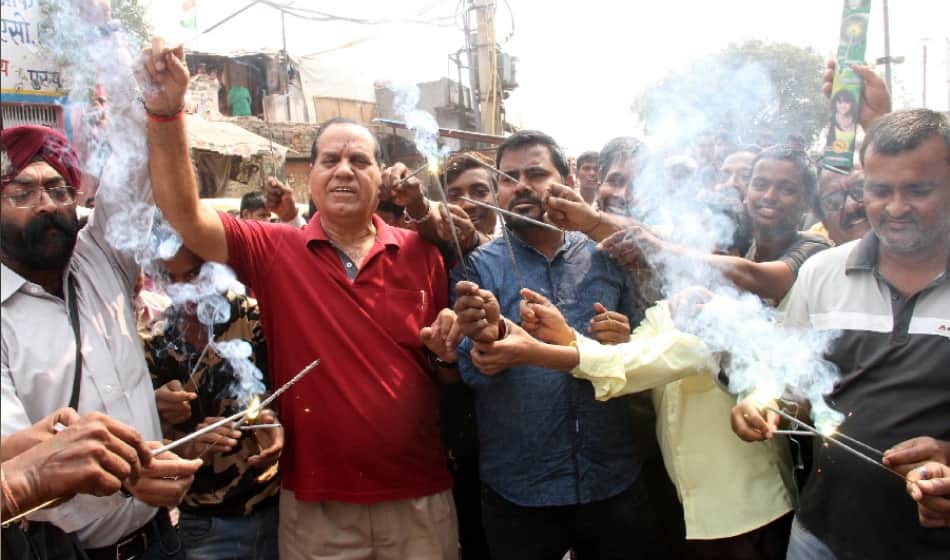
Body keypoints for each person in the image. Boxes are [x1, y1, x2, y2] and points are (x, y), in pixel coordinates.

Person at [140, 44, 457, 559]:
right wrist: (166, 110)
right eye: (329, 160)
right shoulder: (275, 250)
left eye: (360, 160)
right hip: (315, 506)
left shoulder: (423, 253)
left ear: (382, 178)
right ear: (308, 177)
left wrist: (447, 350)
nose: (344, 171)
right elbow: (184, 214)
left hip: (417, 497)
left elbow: (446, 369)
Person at [731, 109, 950, 559]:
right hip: (821, 537)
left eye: (919, 190)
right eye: (879, 190)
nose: (895, 208)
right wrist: (761, 400)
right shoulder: (822, 273)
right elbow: (788, 381)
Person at [0, 125, 201, 559]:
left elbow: (134, 168)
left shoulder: (100, 258)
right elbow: (14, 454)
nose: (47, 206)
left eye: (59, 190)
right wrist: (124, 472)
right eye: (23, 193)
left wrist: (157, 103)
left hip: (160, 540)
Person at [451, 129, 653, 560]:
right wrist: (488, 343)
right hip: (519, 492)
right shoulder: (477, 267)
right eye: (508, 177)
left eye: (536, 173)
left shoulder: (608, 255)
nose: (521, 185)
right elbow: (469, 371)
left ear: (569, 182)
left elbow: (645, 351)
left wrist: (623, 340)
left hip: (611, 481)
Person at [144, 246, 282, 559]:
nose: (186, 291)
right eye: (172, 279)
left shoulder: (256, 318)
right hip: (205, 522)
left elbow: (296, 401)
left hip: (276, 508)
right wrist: (187, 445)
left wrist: (273, 423)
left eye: (194, 275)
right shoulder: (157, 343)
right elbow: (150, 450)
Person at [811, 163, 870, 245]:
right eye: (834, 200)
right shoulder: (814, 255)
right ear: (824, 221)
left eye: (860, 188)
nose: (850, 206)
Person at [826, 89, 859, 154]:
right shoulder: (831, 121)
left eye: (846, 102)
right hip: (834, 159)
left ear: (852, 103)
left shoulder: (857, 120)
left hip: (853, 159)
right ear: (835, 104)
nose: (843, 106)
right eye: (840, 102)